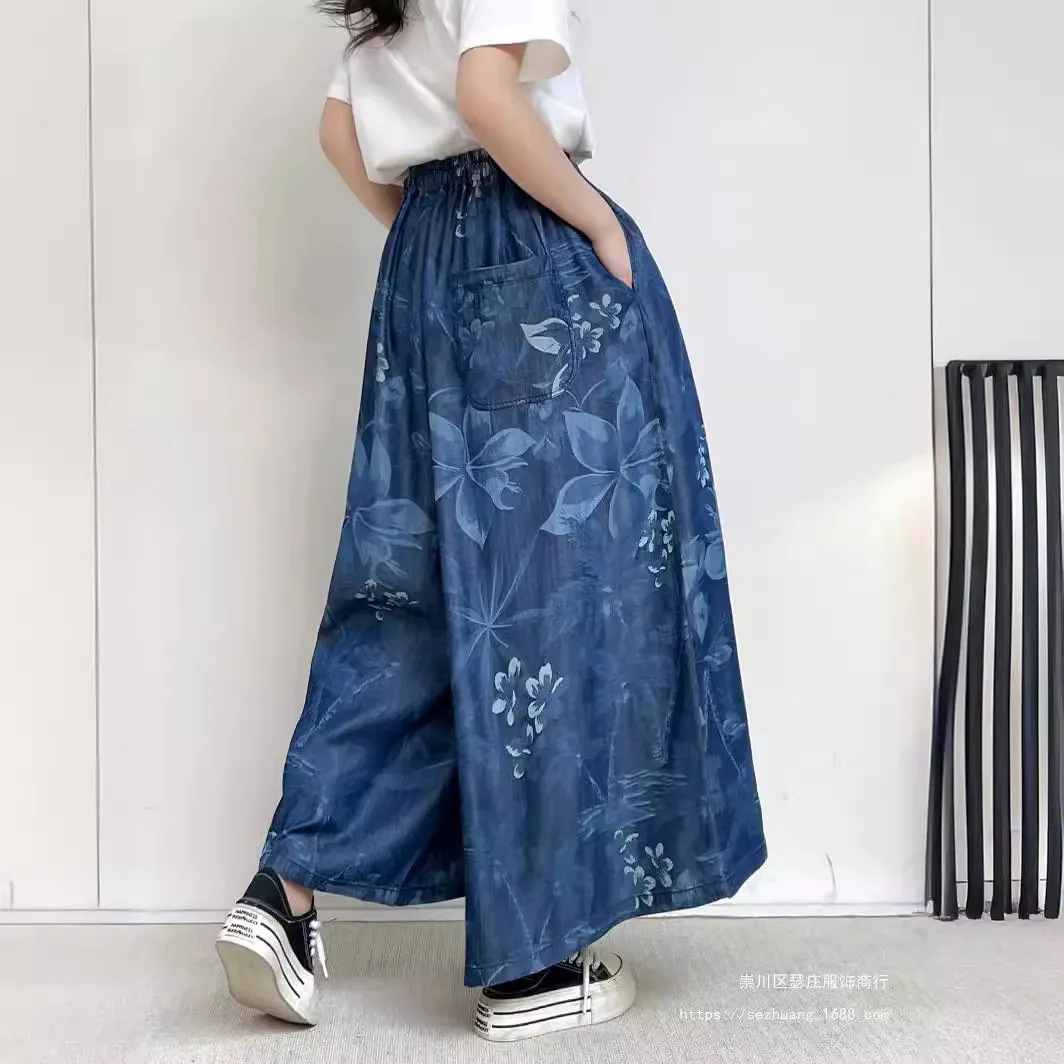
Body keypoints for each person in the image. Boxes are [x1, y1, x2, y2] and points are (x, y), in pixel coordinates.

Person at [215, 0, 766, 1041]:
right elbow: (486, 93)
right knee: (556, 597)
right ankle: (533, 964)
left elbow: (339, 130)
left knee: (405, 596)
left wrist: (428, 242)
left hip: (422, 259)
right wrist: (598, 224)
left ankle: (281, 894)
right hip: (528, 252)